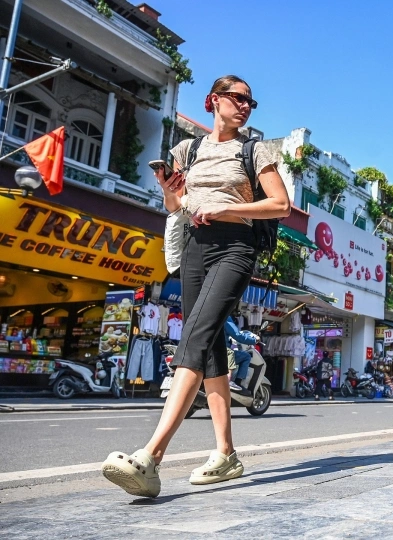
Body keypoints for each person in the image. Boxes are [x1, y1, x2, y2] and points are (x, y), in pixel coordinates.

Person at [101, 75, 290, 498]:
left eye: (250, 102)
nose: (245, 106)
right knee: (210, 346)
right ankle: (226, 453)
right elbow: (175, 206)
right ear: (213, 101)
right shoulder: (187, 150)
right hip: (193, 247)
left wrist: (228, 205)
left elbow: (281, 204)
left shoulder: (254, 149)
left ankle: (150, 457)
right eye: (237, 98)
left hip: (235, 247)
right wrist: (171, 193)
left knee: (196, 335)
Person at [224, 315, 258, 395]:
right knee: (246, 356)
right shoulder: (225, 317)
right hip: (222, 350)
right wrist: (254, 340)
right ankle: (236, 382)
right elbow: (237, 335)